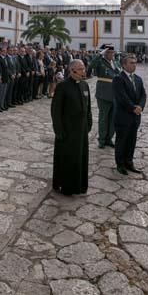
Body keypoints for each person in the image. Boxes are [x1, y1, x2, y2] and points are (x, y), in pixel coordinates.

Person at [50, 59, 92, 196]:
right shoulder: (63, 86)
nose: (83, 71)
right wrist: (59, 130)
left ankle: (80, 185)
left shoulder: (85, 85)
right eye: (80, 69)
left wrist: (89, 123)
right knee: (67, 159)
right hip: (67, 131)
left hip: (81, 130)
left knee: (80, 158)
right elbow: (55, 111)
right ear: (72, 70)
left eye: (84, 69)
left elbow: (88, 107)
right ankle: (66, 186)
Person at [112, 54, 146, 175]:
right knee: (122, 141)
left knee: (132, 140)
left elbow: (143, 95)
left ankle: (129, 162)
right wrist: (133, 107)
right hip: (123, 116)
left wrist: (140, 106)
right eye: (131, 63)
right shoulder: (118, 78)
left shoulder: (138, 79)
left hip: (135, 116)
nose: (134, 64)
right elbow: (122, 97)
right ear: (124, 65)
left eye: (135, 62)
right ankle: (120, 164)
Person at [90, 46, 120, 149]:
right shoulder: (100, 62)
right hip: (103, 93)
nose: (112, 54)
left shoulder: (116, 62)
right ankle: (102, 140)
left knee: (113, 118)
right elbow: (91, 65)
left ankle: (109, 139)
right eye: (109, 52)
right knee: (103, 117)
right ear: (105, 53)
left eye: (112, 52)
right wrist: (99, 55)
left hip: (115, 94)